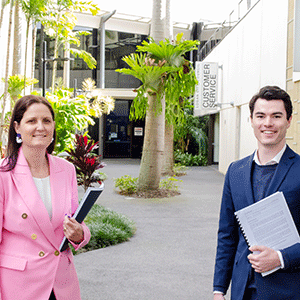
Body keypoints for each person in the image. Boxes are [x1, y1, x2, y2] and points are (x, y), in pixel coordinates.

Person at [213, 86, 300, 300]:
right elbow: (227, 234)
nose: (267, 123)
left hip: (288, 291)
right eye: (260, 116)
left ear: (288, 120)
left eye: (276, 116)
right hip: (242, 291)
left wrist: (281, 258)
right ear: (251, 120)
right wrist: (219, 289)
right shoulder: (235, 171)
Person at [0, 95, 91, 300]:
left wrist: (79, 235)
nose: (40, 127)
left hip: (61, 284)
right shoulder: (3, 174)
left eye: (46, 121)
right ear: (17, 127)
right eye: (31, 121)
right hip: (19, 287)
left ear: (53, 126)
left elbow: (79, 224)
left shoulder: (66, 170)